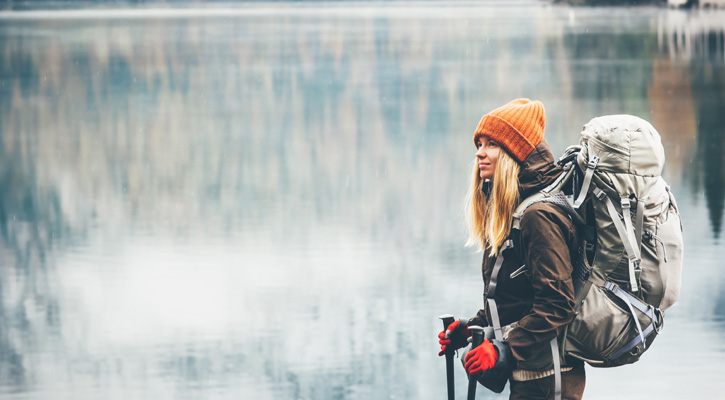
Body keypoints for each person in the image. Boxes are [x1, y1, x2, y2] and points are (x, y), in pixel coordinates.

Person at [438, 99, 585, 400]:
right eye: (479, 143)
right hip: (531, 377)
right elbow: (518, 299)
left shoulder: (538, 216)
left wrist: (503, 349)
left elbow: (558, 305)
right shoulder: (515, 212)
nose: (479, 152)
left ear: (513, 152)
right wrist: (472, 328)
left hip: (550, 380)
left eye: (492, 144)